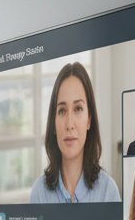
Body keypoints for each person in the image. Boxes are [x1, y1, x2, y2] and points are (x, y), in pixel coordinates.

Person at [29, 62, 120, 204]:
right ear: (53, 123)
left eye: (78, 109)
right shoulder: (39, 194)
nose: (69, 124)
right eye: (62, 111)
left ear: (89, 120)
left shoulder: (108, 192)